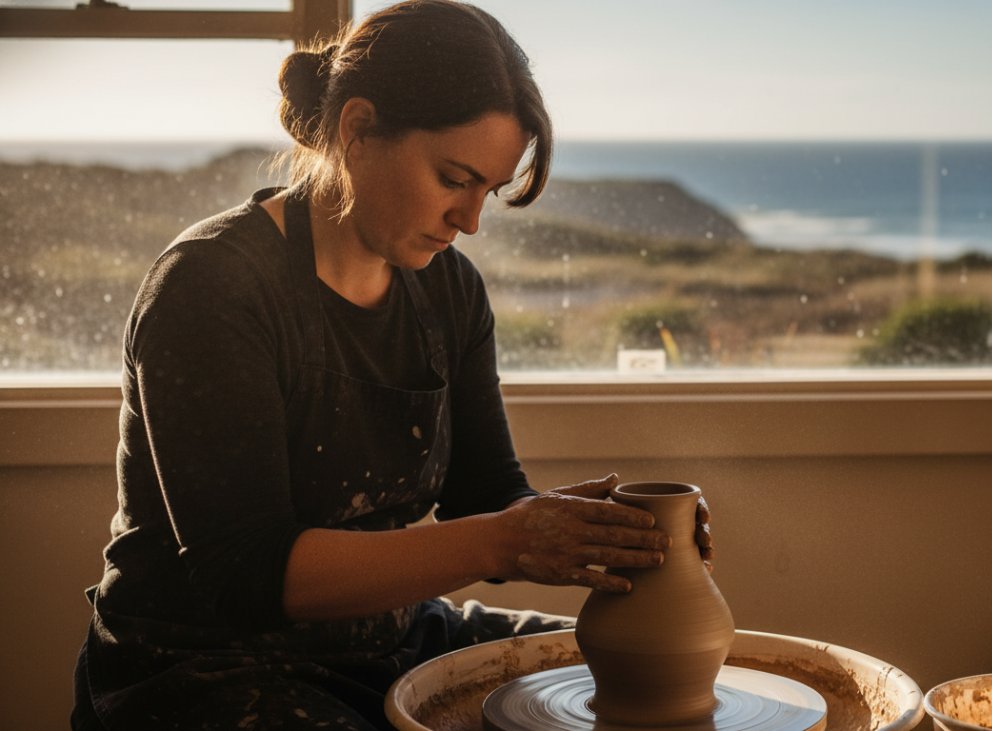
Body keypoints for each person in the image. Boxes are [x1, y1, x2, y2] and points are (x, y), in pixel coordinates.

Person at [70, 2, 711, 729]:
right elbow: (244, 574)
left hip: (390, 637)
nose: (470, 220)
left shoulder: (449, 289)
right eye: (453, 178)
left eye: (489, 192)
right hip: (198, 664)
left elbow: (486, 496)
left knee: (614, 671)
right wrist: (510, 537)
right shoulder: (211, 286)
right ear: (357, 129)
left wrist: (605, 532)